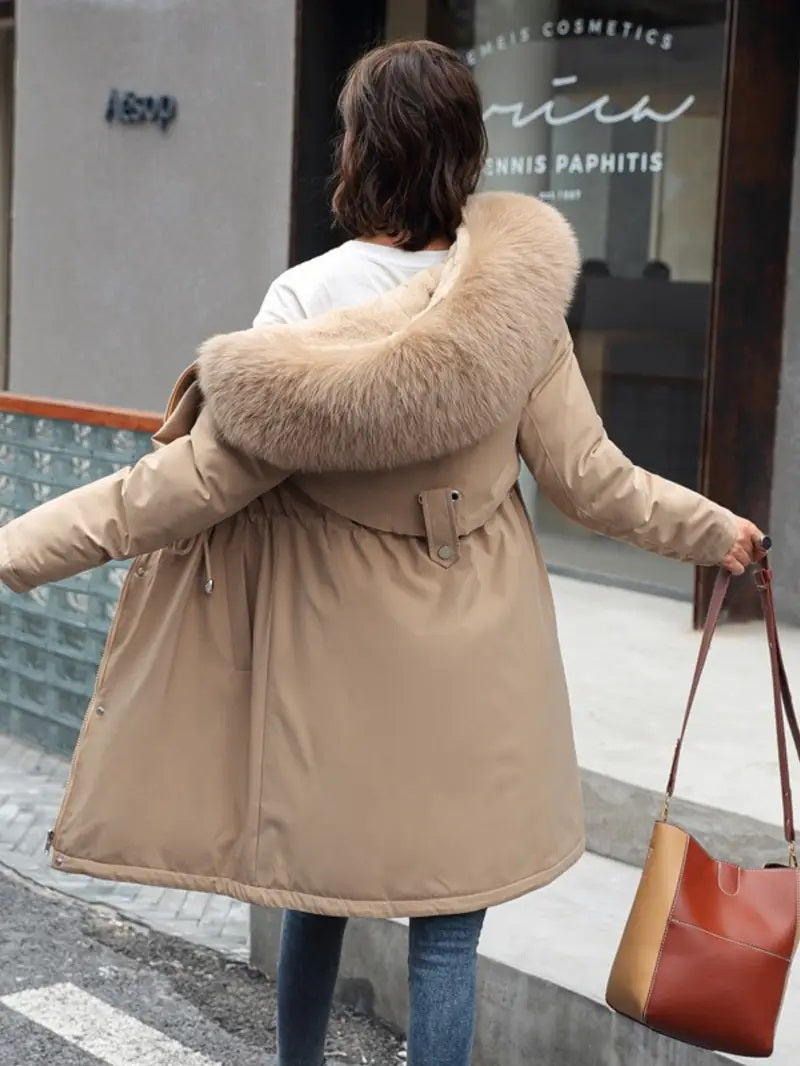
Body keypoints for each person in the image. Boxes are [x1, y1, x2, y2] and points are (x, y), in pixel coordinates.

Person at [0, 40, 764, 1066]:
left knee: (317, 893)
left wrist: (14, 550)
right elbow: (593, 481)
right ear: (466, 152)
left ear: (360, 148)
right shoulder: (514, 307)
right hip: (478, 663)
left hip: (334, 665)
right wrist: (712, 529)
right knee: (447, 935)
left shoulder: (305, 302)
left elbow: (174, 491)